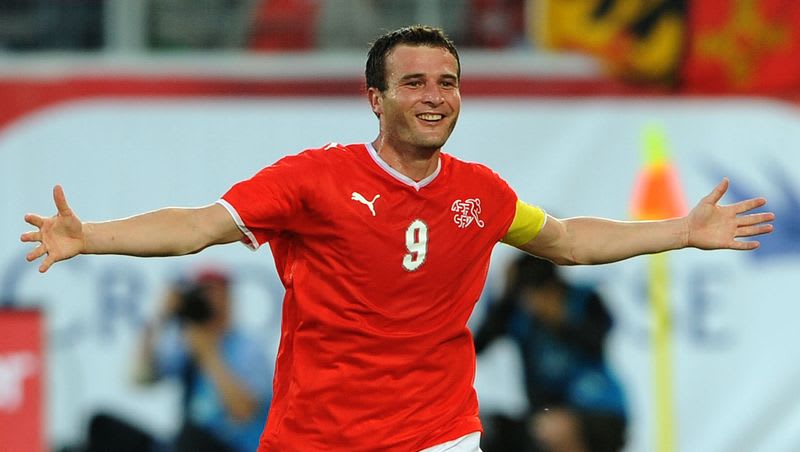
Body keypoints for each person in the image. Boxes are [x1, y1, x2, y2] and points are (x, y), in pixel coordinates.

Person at [20, 25, 773, 452]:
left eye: (447, 82)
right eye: (414, 83)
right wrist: (91, 237)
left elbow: (569, 241)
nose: (435, 97)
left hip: (436, 434)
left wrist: (683, 230)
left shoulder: (482, 194)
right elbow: (197, 228)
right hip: (317, 437)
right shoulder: (312, 180)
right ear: (374, 99)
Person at [81, 267, 271, 452]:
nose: (207, 300)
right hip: (186, 442)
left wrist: (208, 354)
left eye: (213, 293)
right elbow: (140, 378)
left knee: (190, 436)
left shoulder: (248, 348)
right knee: (101, 426)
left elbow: (244, 411)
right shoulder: (187, 343)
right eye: (201, 293)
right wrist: (161, 318)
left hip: (230, 444)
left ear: (228, 299)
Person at [475, 254, 626, 452]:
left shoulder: (584, 299)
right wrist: (506, 296)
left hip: (599, 411)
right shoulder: (519, 313)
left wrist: (561, 321)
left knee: (552, 429)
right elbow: (479, 345)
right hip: (543, 416)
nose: (535, 303)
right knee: (485, 429)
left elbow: (596, 343)